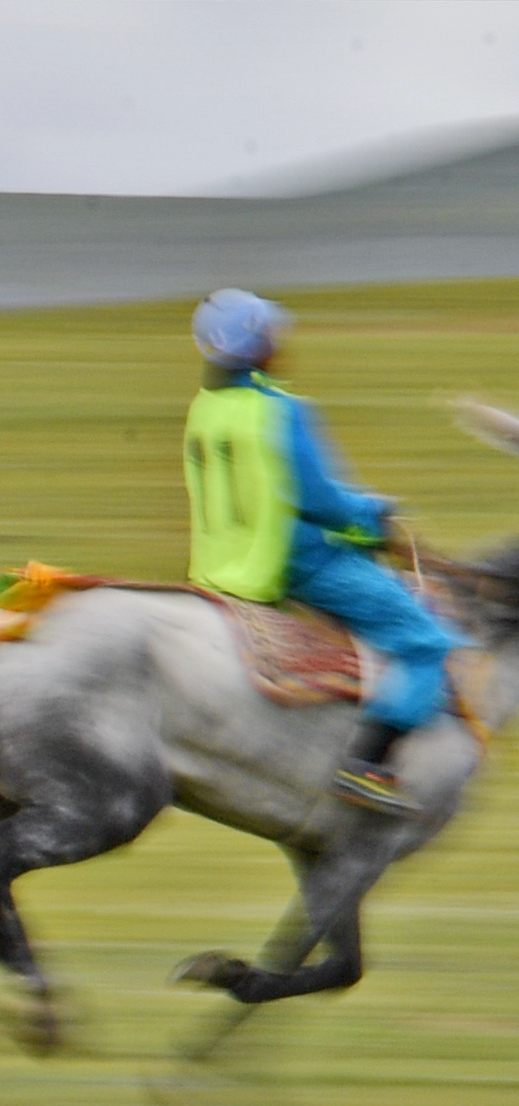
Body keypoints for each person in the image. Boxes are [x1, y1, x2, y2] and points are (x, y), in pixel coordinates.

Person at [183, 289, 458, 815]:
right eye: (271, 335)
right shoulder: (279, 411)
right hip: (297, 560)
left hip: (222, 564)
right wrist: (374, 518)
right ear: (258, 346)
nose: (280, 342)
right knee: (426, 642)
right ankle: (367, 766)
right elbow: (322, 501)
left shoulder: (207, 407)